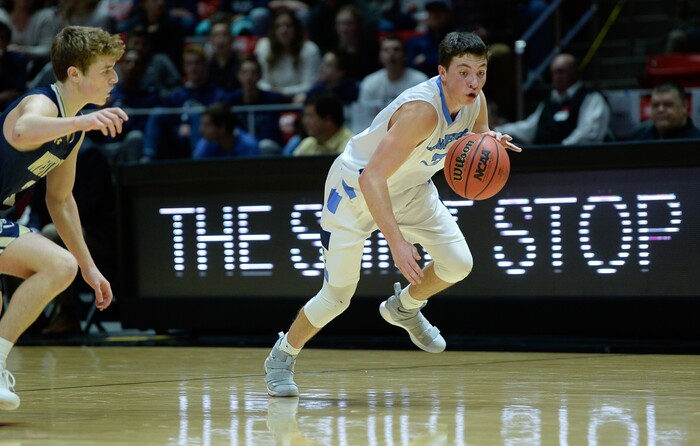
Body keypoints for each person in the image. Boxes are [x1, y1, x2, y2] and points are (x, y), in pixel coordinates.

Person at [264, 31, 521, 397]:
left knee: (457, 263)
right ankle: (282, 355)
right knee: (337, 296)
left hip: (411, 187)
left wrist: (491, 141)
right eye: (464, 72)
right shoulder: (422, 112)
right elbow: (372, 178)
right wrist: (396, 243)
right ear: (442, 73)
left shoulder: (475, 101)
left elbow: (477, 135)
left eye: (480, 72)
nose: (474, 81)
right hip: (355, 191)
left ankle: (404, 306)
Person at [0, 25, 126, 410]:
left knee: (62, 266)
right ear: (75, 73)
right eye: (105, 68)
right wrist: (81, 122)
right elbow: (22, 132)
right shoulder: (44, 105)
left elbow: (61, 201)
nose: (114, 77)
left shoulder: (73, 129)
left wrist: (89, 268)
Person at [495, 53, 611, 145]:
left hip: (575, 165)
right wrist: (497, 130)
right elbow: (528, 128)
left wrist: (559, 152)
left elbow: (588, 134)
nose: (557, 77)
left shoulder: (591, 98)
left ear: (575, 73)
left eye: (561, 72)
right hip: (546, 163)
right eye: (554, 73)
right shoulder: (549, 101)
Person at [254, 9, 322, 100]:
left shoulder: (310, 49)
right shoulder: (263, 46)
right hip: (270, 97)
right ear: (273, 30)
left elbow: (310, 84)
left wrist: (284, 92)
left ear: (296, 29)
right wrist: (271, 90)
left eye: (288, 26)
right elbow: (260, 81)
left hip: (300, 97)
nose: (283, 30)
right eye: (278, 26)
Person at [358, 35, 429, 106]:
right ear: (380, 57)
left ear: (405, 56)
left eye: (396, 49)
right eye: (386, 50)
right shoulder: (369, 82)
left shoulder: (420, 81)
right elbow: (364, 113)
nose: (391, 54)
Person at [626, 83, 700, 140]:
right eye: (655, 105)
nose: (660, 109)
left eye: (668, 105)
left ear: (684, 106)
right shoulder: (638, 139)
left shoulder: (696, 141)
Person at [192, 102, 260, 158]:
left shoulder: (248, 146)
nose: (201, 130)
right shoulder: (205, 146)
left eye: (206, 125)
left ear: (222, 128)